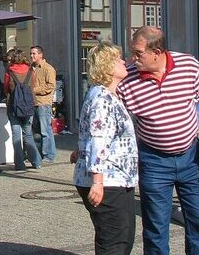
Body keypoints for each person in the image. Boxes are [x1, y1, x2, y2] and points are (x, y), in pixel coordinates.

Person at [119, 27, 199, 255]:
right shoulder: (127, 78)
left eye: (138, 53)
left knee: (198, 221)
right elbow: (109, 116)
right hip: (153, 161)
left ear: (157, 52)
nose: (133, 58)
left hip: (191, 158)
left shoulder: (188, 66)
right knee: (156, 227)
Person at [75, 43, 137, 255]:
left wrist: (78, 151)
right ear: (107, 66)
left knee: (123, 237)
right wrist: (97, 182)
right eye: (118, 59)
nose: (123, 61)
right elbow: (98, 138)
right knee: (114, 243)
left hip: (118, 179)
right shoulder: (102, 98)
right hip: (108, 182)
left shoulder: (106, 95)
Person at [4, 49, 44, 170]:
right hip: (28, 105)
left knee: (16, 136)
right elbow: (34, 84)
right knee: (28, 135)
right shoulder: (30, 70)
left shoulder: (9, 71)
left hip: (14, 106)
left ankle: (19, 164)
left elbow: (6, 87)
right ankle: (36, 162)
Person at [30, 45, 59, 168]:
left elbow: (51, 86)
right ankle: (39, 154)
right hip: (33, 102)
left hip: (43, 103)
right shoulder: (32, 69)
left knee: (45, 130)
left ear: (41, 55)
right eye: (31, 54)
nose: (32, 56)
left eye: (34, 54)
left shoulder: (48, 68)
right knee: (35, 131)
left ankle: (49, 154)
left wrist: (35, 90)